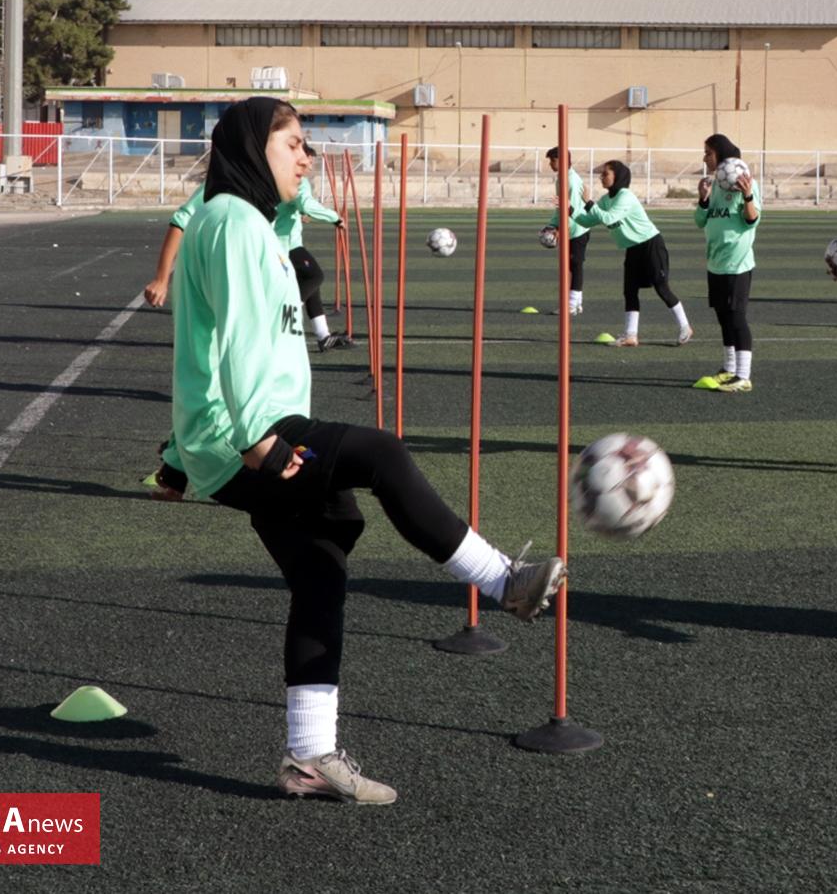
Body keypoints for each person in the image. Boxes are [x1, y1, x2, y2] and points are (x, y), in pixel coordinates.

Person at [171, 97, 566, 802]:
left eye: (306, 144)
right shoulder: (229, 219)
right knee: (381, 455)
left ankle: (309, 758)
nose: (306, 156)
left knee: (323, 568)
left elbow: (198, 347)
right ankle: (502, 579)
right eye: (292, 143)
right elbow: (228, 340)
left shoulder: (250, 221)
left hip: (243, 433)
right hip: (254, 435)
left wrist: (177, 458)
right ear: (249, 149)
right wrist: (259, 442)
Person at [144, 143, 352, 351]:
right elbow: (181, 220)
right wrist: (161, 279)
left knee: (271, 333)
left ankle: (310, 332)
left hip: (262, 262)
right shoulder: (224, 185)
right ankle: (282, 323)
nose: (306, 161)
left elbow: (293, 207)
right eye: (292, 147)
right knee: (211, 346)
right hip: (221, 269)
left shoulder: (272, 187)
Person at [573, 160, 692, 347]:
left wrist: (588, 202)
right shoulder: (606, 199)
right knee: (629, 291)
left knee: (662, 288)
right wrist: (570, 210)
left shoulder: (625, 196)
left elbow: (609, 218)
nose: (601, 177)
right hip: (633, 248)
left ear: (618, 176)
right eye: (601, 174)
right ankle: (630, 335)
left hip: (651, 244)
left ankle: (685, 326)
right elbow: (588, 221)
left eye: (606, 174)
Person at [694, 134, 760, 391]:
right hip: (715, 262)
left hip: (737, 263)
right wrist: (703, 198)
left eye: (708, 152)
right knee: (723, 315)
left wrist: (748, 196)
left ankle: (743, 376)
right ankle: (729, 368)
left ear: (721, 155)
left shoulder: (744, 182)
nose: (704, 158)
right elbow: (700, 221)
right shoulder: (715, 185)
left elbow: (752, 220)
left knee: (736, 316)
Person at [545, 146, 592, 316]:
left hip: (578, 229)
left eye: (553, 160)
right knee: (571, 266)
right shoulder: (562, 179)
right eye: (550, 160)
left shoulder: (570, 181)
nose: (550, 163)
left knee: (575, 265)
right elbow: (560, 208)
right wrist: (553, 225)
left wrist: (559, 229)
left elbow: (570, 209)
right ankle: (575, 303)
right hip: (571, 228)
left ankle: (572, 304)